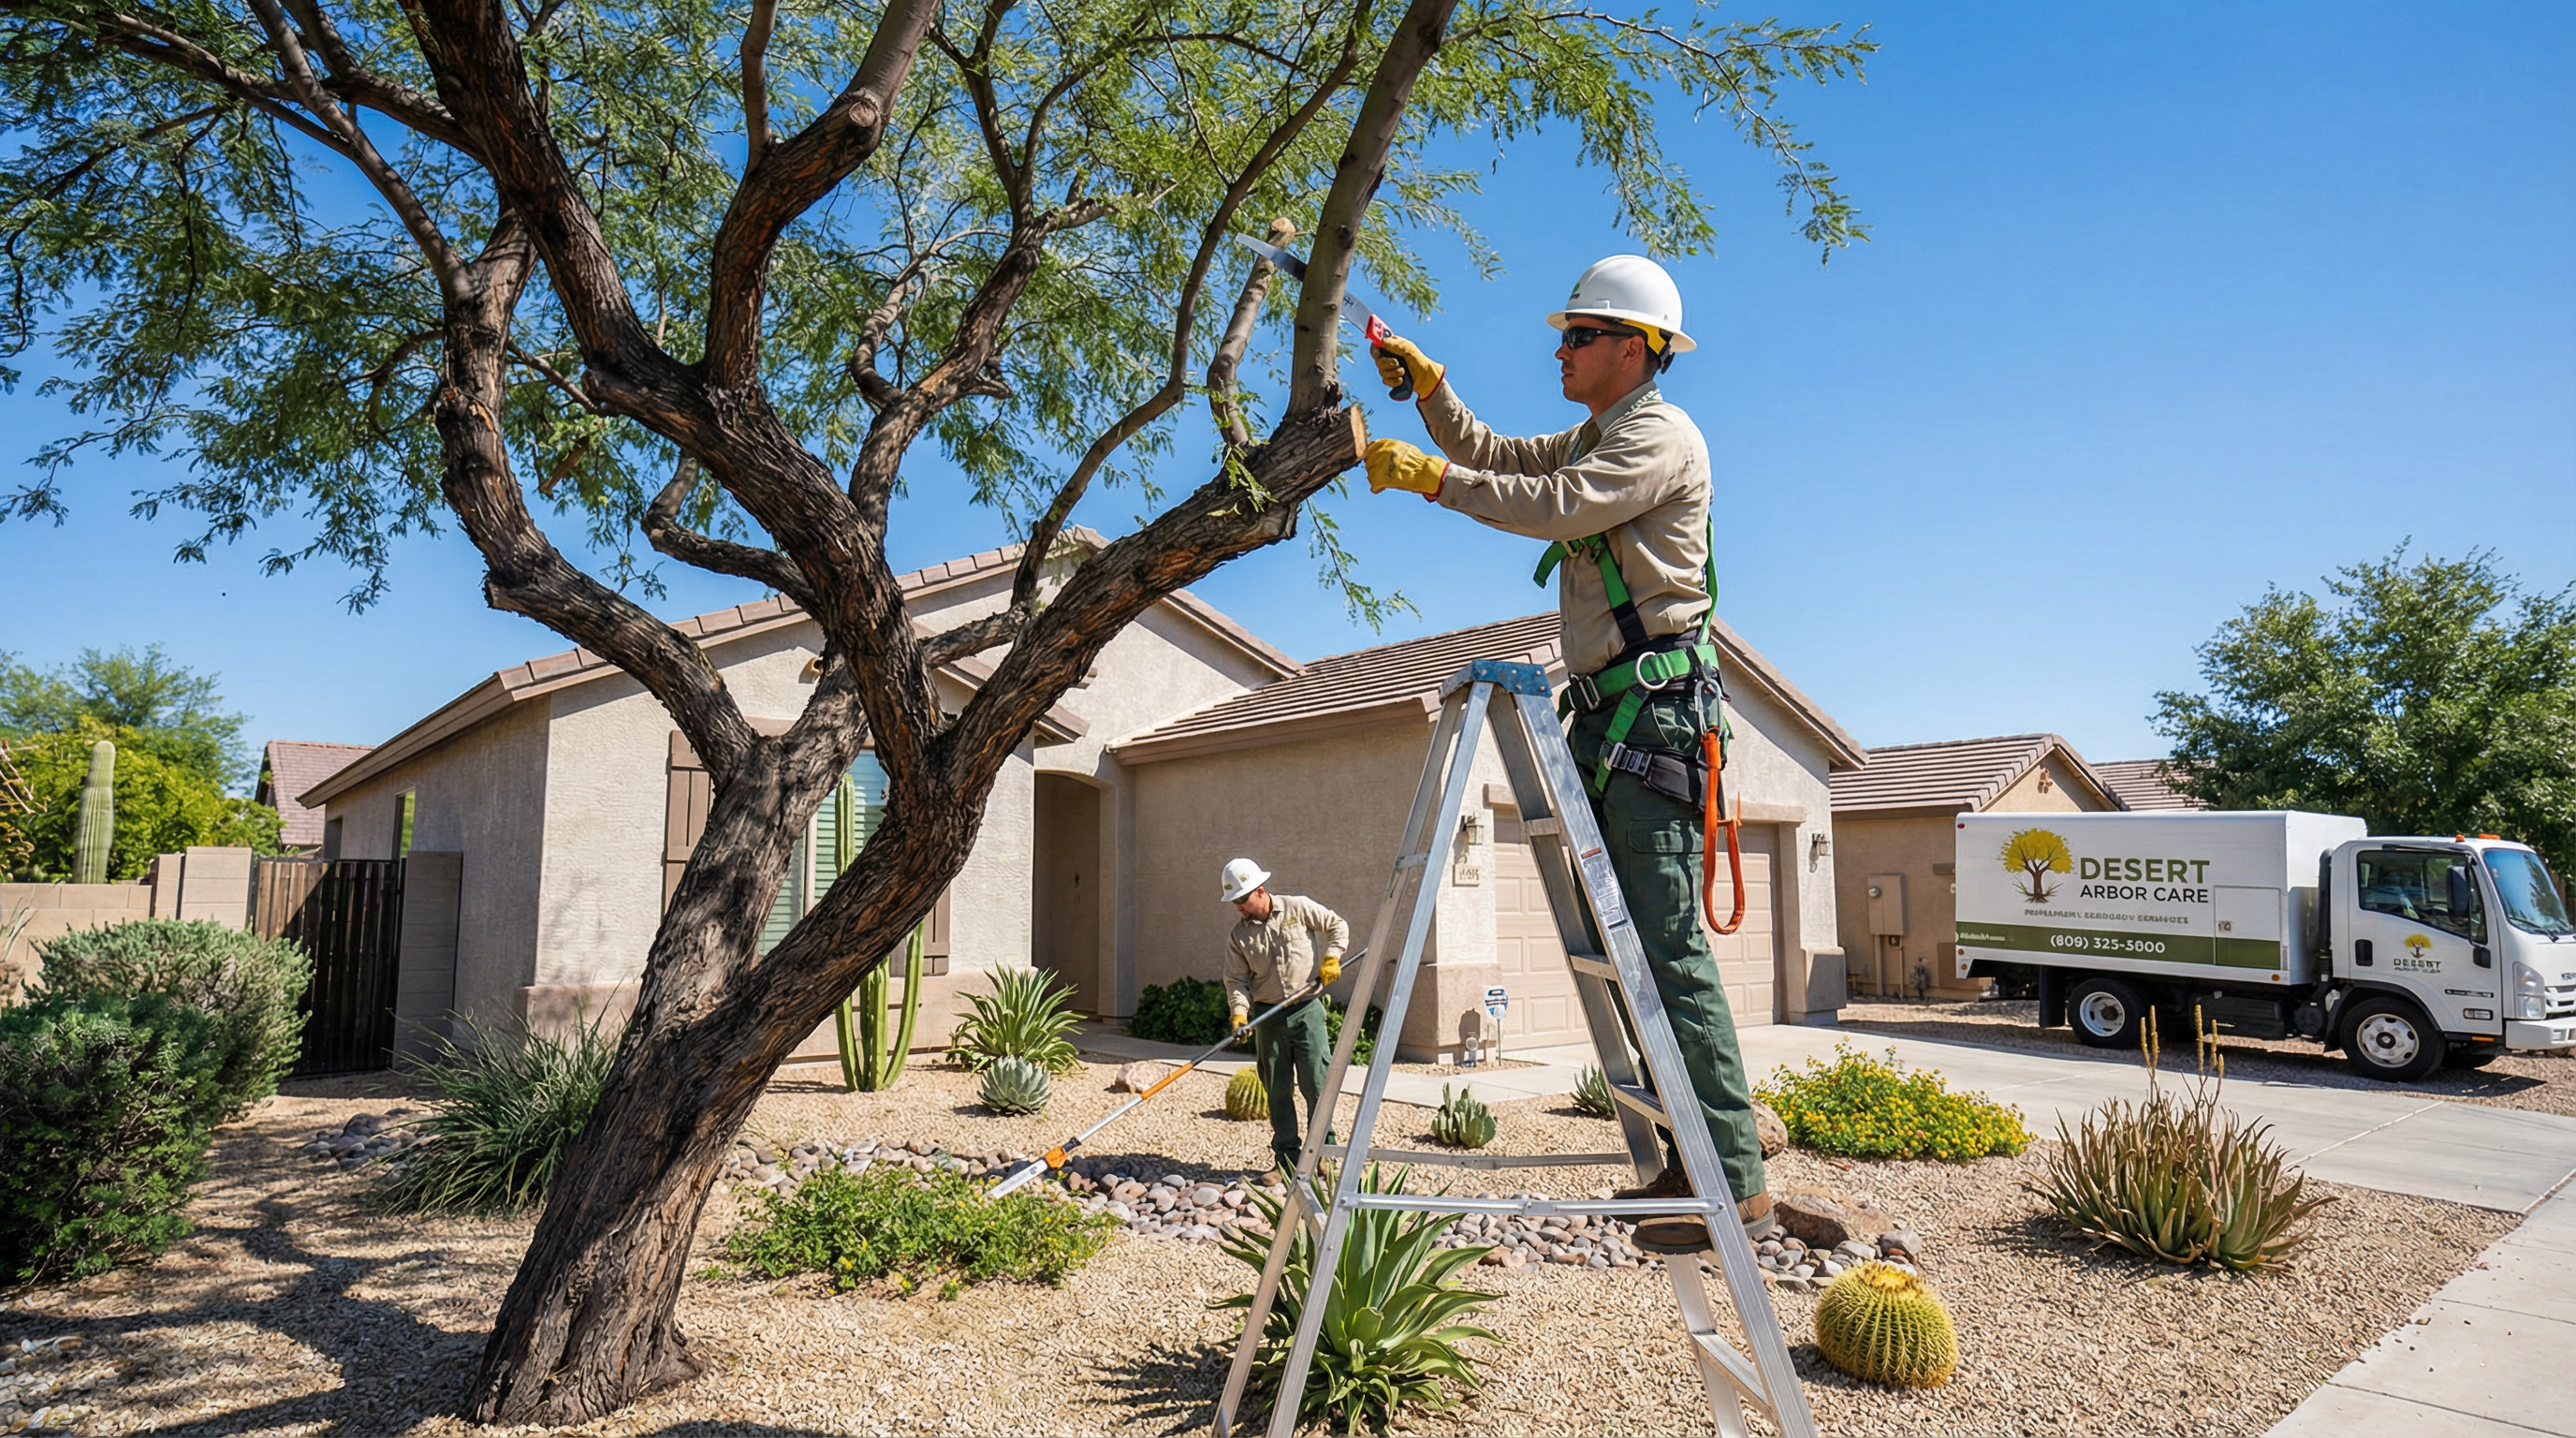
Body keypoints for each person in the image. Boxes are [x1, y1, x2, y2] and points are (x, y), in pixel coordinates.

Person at [1357, 256, 1773, 1253]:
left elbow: (1552, 507)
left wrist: (1430, 480)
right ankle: (1688, 1159)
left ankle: (1735, 1182)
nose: (1560, 349)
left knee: (1666, 952)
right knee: (1625, 949)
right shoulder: (1601, 430)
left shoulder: (1656, 439)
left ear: (1635, 349)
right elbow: (1506, 459)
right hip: (1612, 716)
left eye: (1579, 336)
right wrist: (1435, 394)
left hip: (1654, 719)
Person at [1219, 856, 1350, 1183]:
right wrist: (1239, 1012)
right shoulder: (1239, 937)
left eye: (1242, 900)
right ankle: (1286, 1160)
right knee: (1277, 1091)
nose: (1238, 908)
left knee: (1317, 1085)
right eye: (1234, 902)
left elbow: (1337, 925)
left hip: (1307, 1010)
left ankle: (1324, 1154)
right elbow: (1236, 981)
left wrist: (1332, 957)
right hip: (1269, 1016)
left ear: (1260, 891)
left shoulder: (1297, 908)